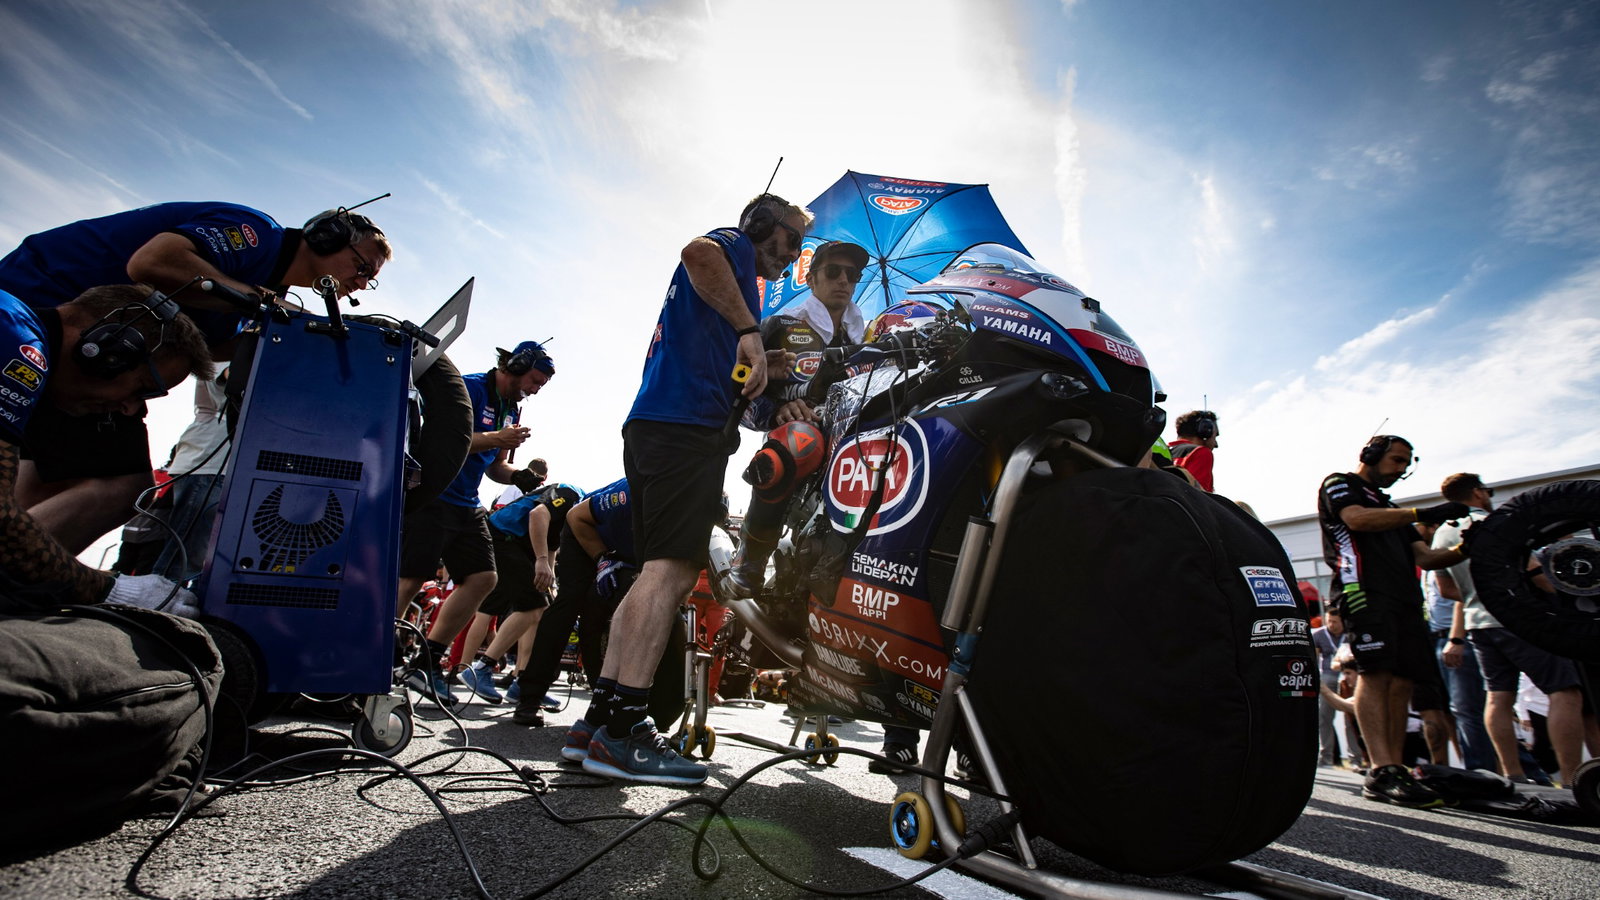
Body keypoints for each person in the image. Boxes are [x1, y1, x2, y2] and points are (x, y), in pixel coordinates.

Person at [568, 194, 810, 785]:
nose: (794, 256)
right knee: (674, 571)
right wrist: (752, 333)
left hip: (659, 425)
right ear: (762, 226)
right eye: (792, 242)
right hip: (685, 429)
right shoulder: (729, 245)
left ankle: (599, 718)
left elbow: (715, 343)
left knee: (655, 570)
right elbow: (697, 253)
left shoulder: (735, 291)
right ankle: (625, 731)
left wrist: (764, 357)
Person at [0, 202, 389, 553]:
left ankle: (24, 575)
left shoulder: (263, 284)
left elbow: (208, 346)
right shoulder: (256, 233)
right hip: (39, 318)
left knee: (49, 480)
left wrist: (300, 344)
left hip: (90, 355)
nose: (361, 282)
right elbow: (153, 262)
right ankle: (21, 576)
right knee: (120, 485)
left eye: (370, 279)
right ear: (326, 238)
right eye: (362, 266)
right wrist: (269, 306)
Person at [0, 284, 212, 612]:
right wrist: (109, 589)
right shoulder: (21, 350)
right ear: (105, 348)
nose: (130, 409)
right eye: (141, 388)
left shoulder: (16, 327)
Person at [1316, 434, 1470, 807]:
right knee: (1377, 674)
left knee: (1402, 682)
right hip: (1363, 590)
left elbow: (1427, 559)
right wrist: (1422, 514)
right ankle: (1381, 770)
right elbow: (1357, 520)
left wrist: (1468, 546)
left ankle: (1396, 769)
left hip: (1404, 598)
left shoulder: (1392, 507)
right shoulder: (1340, 484)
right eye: (1397, 460)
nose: (1401, 470)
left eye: (1406, 463)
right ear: (1371, 455)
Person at [397, 341, 553, 706]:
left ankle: (427, 661)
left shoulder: (509, 411)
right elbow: (444, 443)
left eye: (540, 387)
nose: (534, 390)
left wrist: (520, 476)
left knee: (484, 578)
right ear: (516, 364)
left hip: (468, 504)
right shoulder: (467, 389)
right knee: (410, 580)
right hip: (434, 495)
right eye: (534, 380)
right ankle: (382, 657)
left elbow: (496, 466)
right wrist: (497, 438)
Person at [720, 239, 869, 597]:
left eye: (853, 274)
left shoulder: (871, 335)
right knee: (798, 439)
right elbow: (736, 393)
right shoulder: (780, 325)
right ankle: (750, 561)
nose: (844, 281)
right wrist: (774, 413)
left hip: (854, 444)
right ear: (811, 278)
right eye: (833, 271)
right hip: (802, 447)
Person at [1434, 472, 1589, 786]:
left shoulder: (1443, 531)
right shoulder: (1496, 523)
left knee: (1497, 697)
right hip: (1519, 617)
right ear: (1478, 493)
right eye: (1486, 490)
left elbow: (1446, 589)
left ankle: (1512, 776)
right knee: (1565, 692)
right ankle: (1574, 782)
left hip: (1479, 622)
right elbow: (1537, 574)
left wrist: (1477, 593)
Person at [456, 482, 583, 705]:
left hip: (514, 546)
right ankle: (481, 668)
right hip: (504, 539)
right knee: (533, 607)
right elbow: (537, 515)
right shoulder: (572, 493)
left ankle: (523, 681)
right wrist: (541, 562)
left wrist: (550, 580)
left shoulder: (568, 518)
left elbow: (551, 546)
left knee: (540, 609)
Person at [1168, 410, 1219, 492]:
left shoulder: (1162, 451)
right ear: (1206, 432)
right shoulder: (1201, 453)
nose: (1216, 444)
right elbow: (1198, 497)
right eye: (1215, 436)